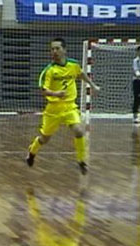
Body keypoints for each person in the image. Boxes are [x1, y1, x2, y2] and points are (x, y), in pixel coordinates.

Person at [26, 38, 100, 175]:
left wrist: (93, 85)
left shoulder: (73, 65)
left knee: (79, 131)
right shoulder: (49, 71)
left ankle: (81, 161)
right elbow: (43, 90)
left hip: (70, 107)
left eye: (57, 48)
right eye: (52, 49)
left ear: (64, 50)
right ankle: (32, 152)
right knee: (44, 138)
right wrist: (56, 93)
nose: (54, 51)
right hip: (53, 109)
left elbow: (81, 74)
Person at [132, 46, 140, 124]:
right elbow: (136, 71)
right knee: (137, 98)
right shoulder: (135, 61)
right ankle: (135, 116)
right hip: (137, 81)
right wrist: (138, 74)